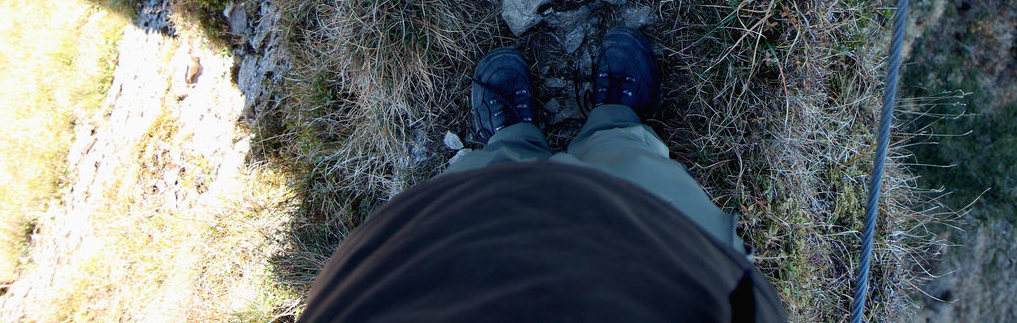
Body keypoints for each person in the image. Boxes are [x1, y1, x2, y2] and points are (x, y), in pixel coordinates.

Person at [298, 26, 789, 322]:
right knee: (638, 178)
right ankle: (615, 126)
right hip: (674, 286)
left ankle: (513, 141)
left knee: (483, 186)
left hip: (431, 282)